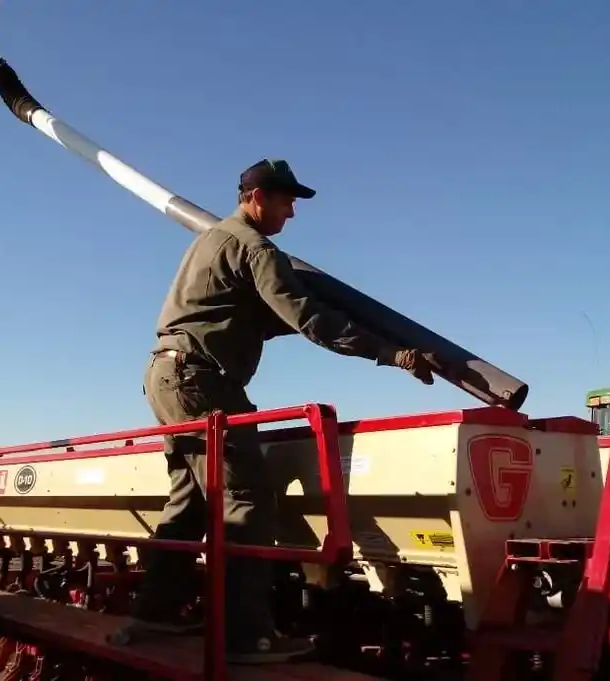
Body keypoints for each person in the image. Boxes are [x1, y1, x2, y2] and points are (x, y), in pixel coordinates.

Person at [123, 158, 436, 665]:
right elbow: (307, 319)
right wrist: (390, 352)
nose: (291, 214)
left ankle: (156, 609)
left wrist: (331, 312)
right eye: (287, 201)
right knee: (247, 497)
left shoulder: (212, 242)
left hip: (167, 373)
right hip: (202, 378)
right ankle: (246, 636)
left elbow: (261, 318)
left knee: (191, 500)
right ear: (258, 197)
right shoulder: (254, 247)